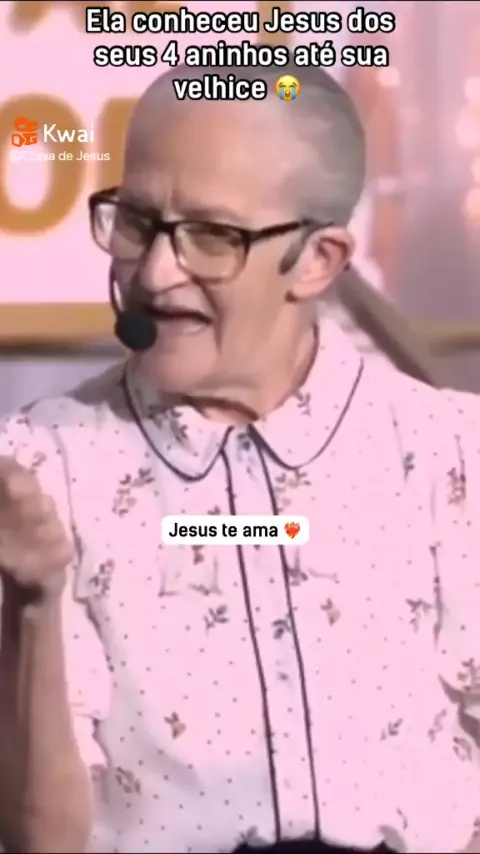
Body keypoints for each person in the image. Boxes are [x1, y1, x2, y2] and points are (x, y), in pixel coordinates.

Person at [0, 61, 479, 854]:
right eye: (137, 222)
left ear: (319, 259)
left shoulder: (446, 452)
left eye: (212, 236)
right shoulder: (42, 470)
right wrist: (33, 605)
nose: (156, 273)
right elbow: (40, 841)